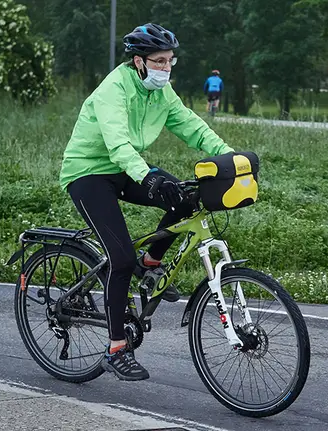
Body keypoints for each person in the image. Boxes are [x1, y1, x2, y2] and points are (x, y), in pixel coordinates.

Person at [59, 23, 235, 381]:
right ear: (138, 62)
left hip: (127, 167)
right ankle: (115, 348)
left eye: (170, 61)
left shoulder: (162, 92)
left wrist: (231, 158)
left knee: (185, 200)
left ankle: (150, 262)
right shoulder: (114, 89)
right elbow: (118, 144)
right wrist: (148, 176)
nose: (165, 68)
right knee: (119, 260)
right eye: (158, 61)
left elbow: (192, 125)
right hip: (88, 173)